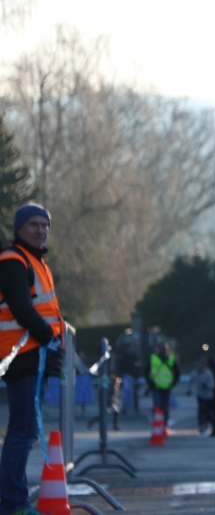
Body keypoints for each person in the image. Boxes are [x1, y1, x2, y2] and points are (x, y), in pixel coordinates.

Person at [0, 204, 65, 515]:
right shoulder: (13, 261)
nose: (41, 230)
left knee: (24, 430)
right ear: (19, 229)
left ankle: (13, 500)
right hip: (24, 354)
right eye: (33, 225)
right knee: (22, 431)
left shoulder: (35, 261)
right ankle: (13, 503)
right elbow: (22, 309)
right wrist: (48, 336)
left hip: (34, 354)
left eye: (45, 225)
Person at [145, 341, 180, 430]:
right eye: (162, 348)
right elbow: (147, 372)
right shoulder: (153, 358)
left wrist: (173, 383)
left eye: (164, 348)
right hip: (156, 387)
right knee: (158, 407)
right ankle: (158, 426)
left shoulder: (171, 359)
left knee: (164, 407)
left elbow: (177, 373)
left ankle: (164, 426)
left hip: (166, 387)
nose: (163, 349)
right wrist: (150, 383)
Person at [193, 357, 215, 435]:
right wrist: (189, 390)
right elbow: (191, 381)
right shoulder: (195, 373)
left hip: (208, 396)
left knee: (207, 411)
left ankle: (208, 423)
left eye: (202, 365)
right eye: (199, 365)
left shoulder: (208, 373)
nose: (200, 367)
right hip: (200, 395)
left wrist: (207, 385)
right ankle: (201, 425)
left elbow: (213, 385)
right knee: (200, 410)